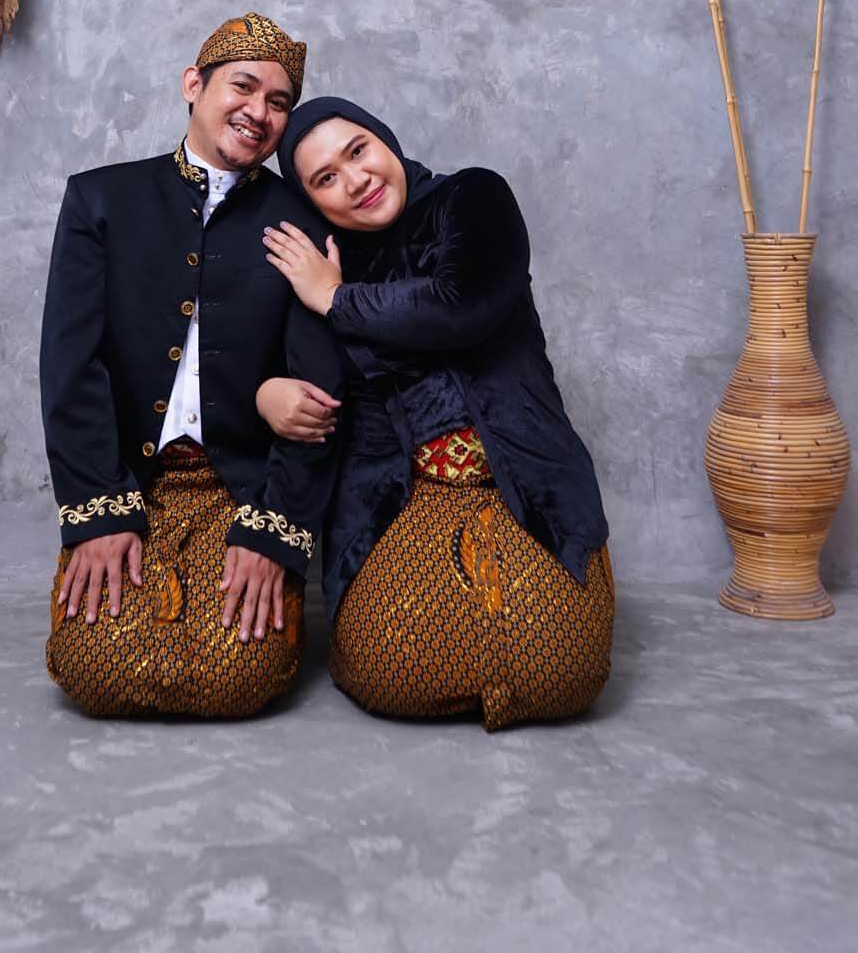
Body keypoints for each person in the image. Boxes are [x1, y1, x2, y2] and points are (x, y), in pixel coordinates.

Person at [257, 97, 613, 731]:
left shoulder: (470, 198)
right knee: (391, 670)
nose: (356, 180)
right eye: (326, 179)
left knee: (562, 672)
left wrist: (336, 300)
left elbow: (461, 305)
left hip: (522, 483)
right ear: (314, 202)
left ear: (385, 139)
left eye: (358, 151)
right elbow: (293, 371)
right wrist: (267, 391)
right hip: (396, 499)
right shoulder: (324, 262)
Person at [40, 14, 343, 718]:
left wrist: (273, 532)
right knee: (95, 668)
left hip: (246, 485)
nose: (259, 111)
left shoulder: (302, 218)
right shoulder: (99, 199)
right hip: (128, 479)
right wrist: (98, 513)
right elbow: (70, 367)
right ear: (192, 85)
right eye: (244, 87)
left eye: (278, 102)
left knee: (240, 675)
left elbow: (318, 397)